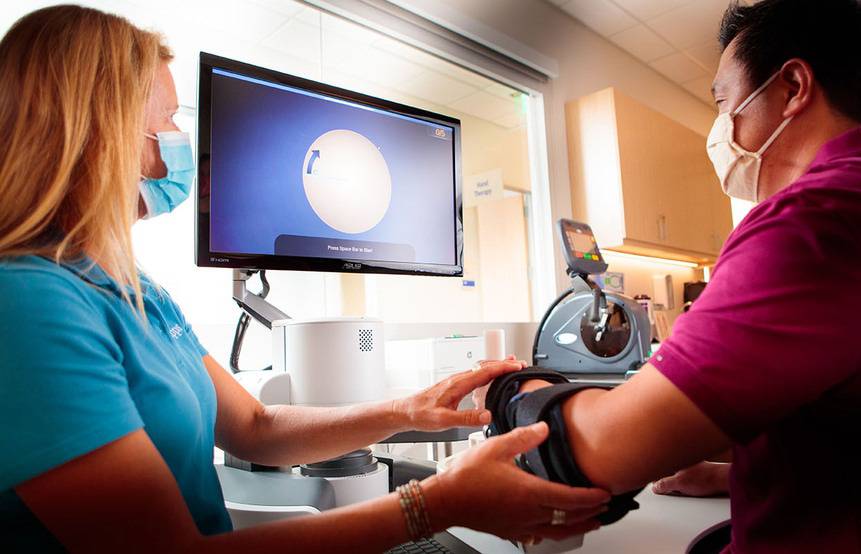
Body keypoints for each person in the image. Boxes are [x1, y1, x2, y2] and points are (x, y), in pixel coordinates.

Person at [0, 6, 611, 552]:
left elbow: (255, 428)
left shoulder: (134, 288)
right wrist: (438, 503)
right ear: (99, 127)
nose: (181, 144)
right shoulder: (29, 304)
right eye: (165, 120)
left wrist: (408, 410)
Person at [482, 0, 861, 552]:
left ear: (794, 87)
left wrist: (509, 390)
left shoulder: (815, 219)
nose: (722, 129)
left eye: (725, 103)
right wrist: (728, 475)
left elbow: (600, 452)